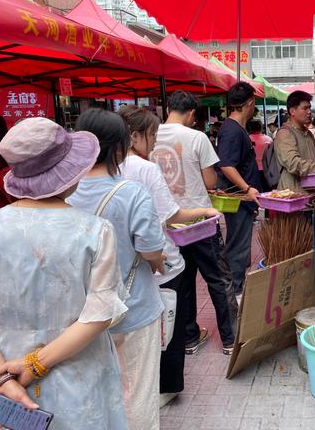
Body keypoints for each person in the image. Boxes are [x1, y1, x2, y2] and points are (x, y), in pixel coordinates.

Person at [0, 117, 128, 429]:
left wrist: (3, 380)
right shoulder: (95, 231)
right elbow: (99, 315)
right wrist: (35, 364)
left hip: (5, 371)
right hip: (80, 369)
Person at [68, 109, 166, 430]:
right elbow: (151, 250)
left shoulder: (62, 196)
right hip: (134, 307)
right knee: (137, 392)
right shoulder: (132, 193)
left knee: (96, 393)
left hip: (82, 316)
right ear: (121, 148)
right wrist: (158, 262)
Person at [117, 106, 221, 406]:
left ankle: (139, 385)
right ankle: (167, 388)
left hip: (126, 265)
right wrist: (204, 211)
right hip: (161, 261)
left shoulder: (109, 166)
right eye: (150, 135)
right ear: (134, 136)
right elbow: (171, 216)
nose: (153, 142)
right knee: (167, 329)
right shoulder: (145, 169)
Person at [150, 91, 237, 356]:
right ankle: (231, 339)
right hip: (199, 220)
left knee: (182, 281)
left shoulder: (151, 136)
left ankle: (188, 338)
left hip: (169, 223)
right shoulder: (197, 137)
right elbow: (210, 182)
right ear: (191, 114)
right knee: (218, 279)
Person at [216, 82, 262, 297]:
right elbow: (226, 165)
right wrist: (248, 188)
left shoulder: (235, 129)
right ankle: (234, 293)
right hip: (238, 199)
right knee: (237, 247)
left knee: (240, 247)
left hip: (243, 199)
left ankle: (236, 288)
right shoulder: (232, 131)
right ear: (250, 103)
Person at [274, 91, 315, 190]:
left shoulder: (309, 133)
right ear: (292, 111)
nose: (309, 111)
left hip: (310, 192)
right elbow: (292, 163)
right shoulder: (285, 133)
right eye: (305, 108)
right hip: (293, 194)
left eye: (309, 108)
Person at [248, 119, 272, 190]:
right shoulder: (268, 140)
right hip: (266, 169)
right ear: (261, 127)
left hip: (251, 170)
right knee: (266, 190)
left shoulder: (247, 139)